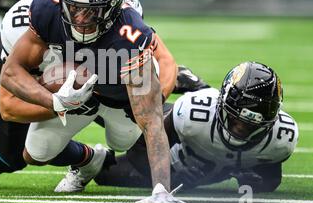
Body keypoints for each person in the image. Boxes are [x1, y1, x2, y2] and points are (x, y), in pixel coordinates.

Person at [0, 0, 187, 203]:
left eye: (90, 11)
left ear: (113, 6)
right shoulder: (46, 10)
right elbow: (10, 74)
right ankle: (88, 160)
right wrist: (55, 101)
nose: (79, 18)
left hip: (120, 94)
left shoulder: (129, 34)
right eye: (73, 7)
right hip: (75, 91)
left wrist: (161, 190)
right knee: (35, 153)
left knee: (122, 140)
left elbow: (152, 122)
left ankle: (180, 101)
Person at [95, 62, 298, 193]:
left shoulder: (281, 138)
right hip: (175, 156)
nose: (241, 128)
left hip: (201, 165)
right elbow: (139, 150)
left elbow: (271, 180)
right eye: (237, 119)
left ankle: (196, 84)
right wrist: (171, 176)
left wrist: (251, 182)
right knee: (122, 115)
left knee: (103, 172)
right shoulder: (194, 113)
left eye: (251, 125)